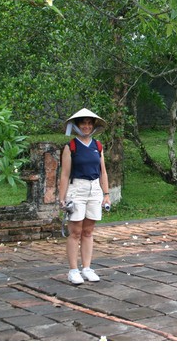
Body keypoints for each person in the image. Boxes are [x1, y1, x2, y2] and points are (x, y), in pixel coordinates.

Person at [58, 108, 111, 284]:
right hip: (77, 189)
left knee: (88, 231)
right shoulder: (70, 147)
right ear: (77, 126)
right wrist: (62, 197)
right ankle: (73, 270)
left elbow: (103, 171)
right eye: (83, 123)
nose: (87, 126)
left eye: (89, 123)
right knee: (75, 231)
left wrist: (106, 193)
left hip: (94, 189)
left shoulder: (98, 145)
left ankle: (87, 268)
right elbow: (65, 174)